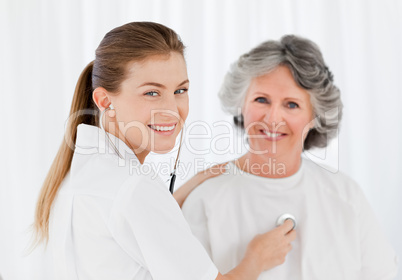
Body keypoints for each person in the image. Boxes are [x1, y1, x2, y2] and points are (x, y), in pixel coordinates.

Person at [32, 22, 296, 280]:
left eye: (180, 90)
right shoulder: (134, 189)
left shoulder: (80, 176)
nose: (172, 109)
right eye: (151, 93)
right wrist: (257, 257)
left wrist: (180, 193)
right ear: (104, 101)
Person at [181, 35, 398, 279]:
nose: (273, 119)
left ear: (314, 116)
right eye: (261, 100)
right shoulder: (205, 201)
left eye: (292, 105)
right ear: (241, 105)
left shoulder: (346, 196)